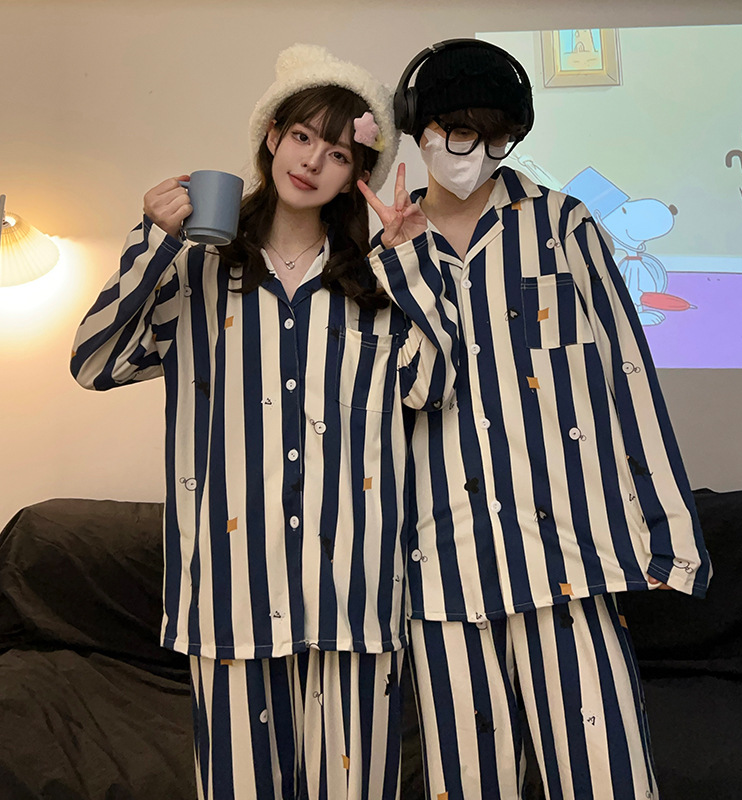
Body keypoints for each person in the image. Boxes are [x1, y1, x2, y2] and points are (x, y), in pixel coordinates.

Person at [70, 43, 457, 800]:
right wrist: (152, 241)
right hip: (229, 595)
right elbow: (94, 364)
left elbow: (433, 387)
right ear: (272, 136)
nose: (312, 162)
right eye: (302, 137)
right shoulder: (195, 268)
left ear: (357, 174)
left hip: (354, 595)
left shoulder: (376, 283)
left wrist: (411, 262)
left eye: (338, 153)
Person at [360, 39, 712, 800]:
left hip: (567, 558)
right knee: (468, 783)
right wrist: (404, 265)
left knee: (608, 779)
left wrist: (668, 532)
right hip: (440, 566)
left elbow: (626, 371)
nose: (478, 154)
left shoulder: (562, 224)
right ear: (421, 128)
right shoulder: (379, 254)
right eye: (462, 132)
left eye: (498, 138)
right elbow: (406, 395)